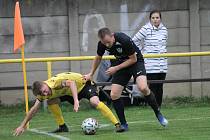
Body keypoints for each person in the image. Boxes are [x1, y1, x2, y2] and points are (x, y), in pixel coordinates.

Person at [83, 27, 168, 132]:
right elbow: (98, 57)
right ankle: (123, 124)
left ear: (112, 35)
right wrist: (91, 73)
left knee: (143, 87)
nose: (107, 45)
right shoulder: (102, 44)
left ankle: (157, 112)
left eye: (108, 42)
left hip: (136, 62)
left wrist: (115, 68)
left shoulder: (124, 40)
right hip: (121, 64)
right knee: (114, 94)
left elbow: (133, 59)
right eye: (104, 43)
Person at [13, 72, 124, 136]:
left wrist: (76, 101)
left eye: (45, 90)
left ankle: (117, 124)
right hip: (68, 92)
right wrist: (22, 125)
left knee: (94, 101)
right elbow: (33, 110)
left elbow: (71, 83)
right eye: (42, 93)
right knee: (51, 100)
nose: (45, 93)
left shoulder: (55, 84)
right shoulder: (42, 94)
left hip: (84, 85)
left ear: (45, 84)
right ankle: (62, 127)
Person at [132, 10, 168, 107]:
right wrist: (141, 52)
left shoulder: (164, 30)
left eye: (157, 18)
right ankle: (153, 106)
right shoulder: (145, 29)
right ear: (150, 19)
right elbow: (135, 40)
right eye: (153, 18)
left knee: (160, 86)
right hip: (151, 64)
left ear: (160, 19)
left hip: (162, 64)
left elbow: (163, 45)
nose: (155, 20)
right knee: (152, 87)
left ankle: (159, 107)